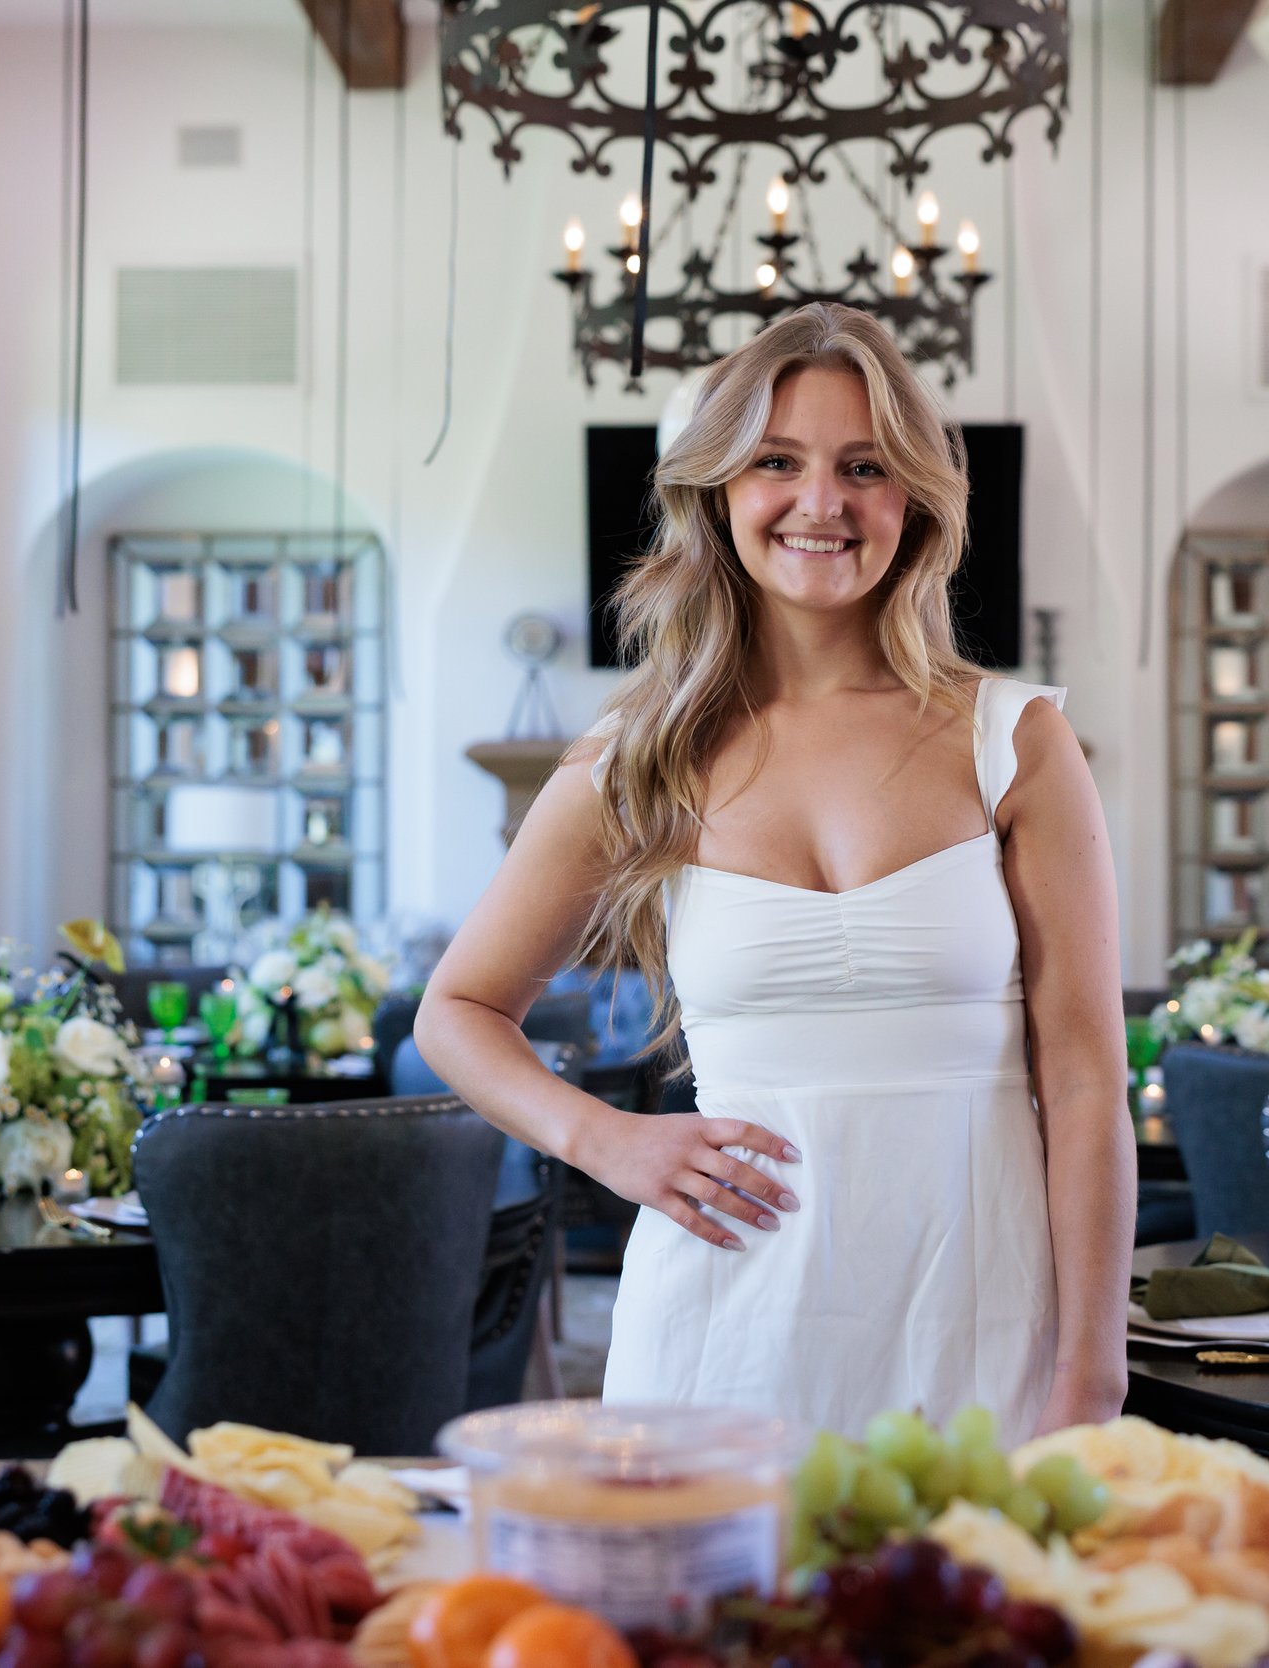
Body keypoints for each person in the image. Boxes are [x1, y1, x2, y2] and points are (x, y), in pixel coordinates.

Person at [415, 303, 1132, 1442]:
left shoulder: (1015, 739)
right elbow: (455, 1011)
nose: (822, 502)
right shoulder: (639, 751)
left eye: (863, 466)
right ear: (716, 493)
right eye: (776, 462)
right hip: (718, 1327)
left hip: (988, 1318)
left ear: (914, 500)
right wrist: (608, 1142)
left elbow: (1090, 1083)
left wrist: (1092, 1377)